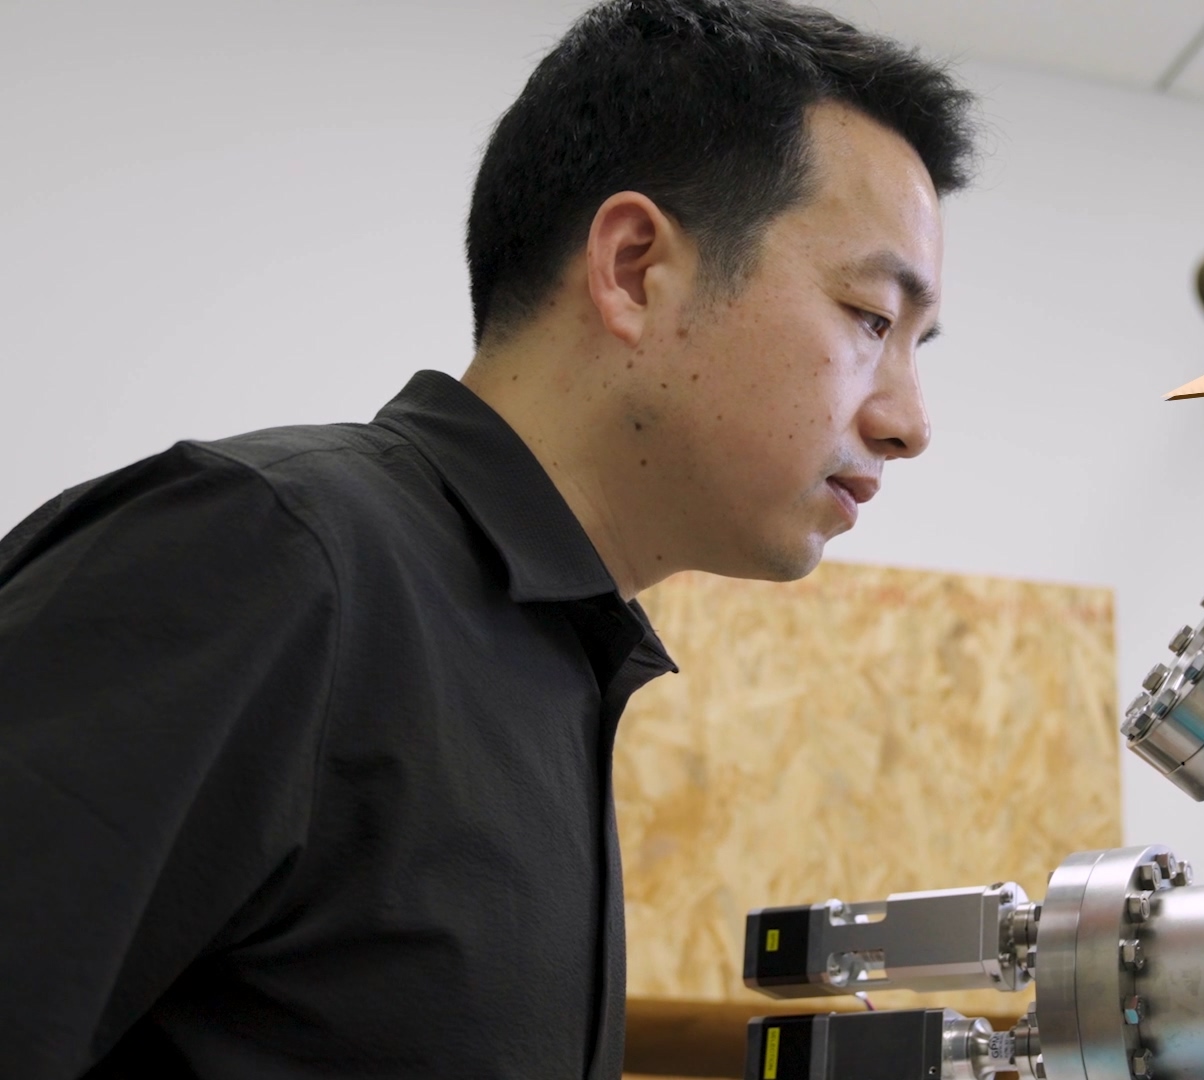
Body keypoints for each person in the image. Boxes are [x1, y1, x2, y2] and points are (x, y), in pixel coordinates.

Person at [0, 1, 974, 1076]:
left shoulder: (561, 666)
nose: (910, 422)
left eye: (916, 344)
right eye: (871, 318)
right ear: (635, 268)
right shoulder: (270, 558)